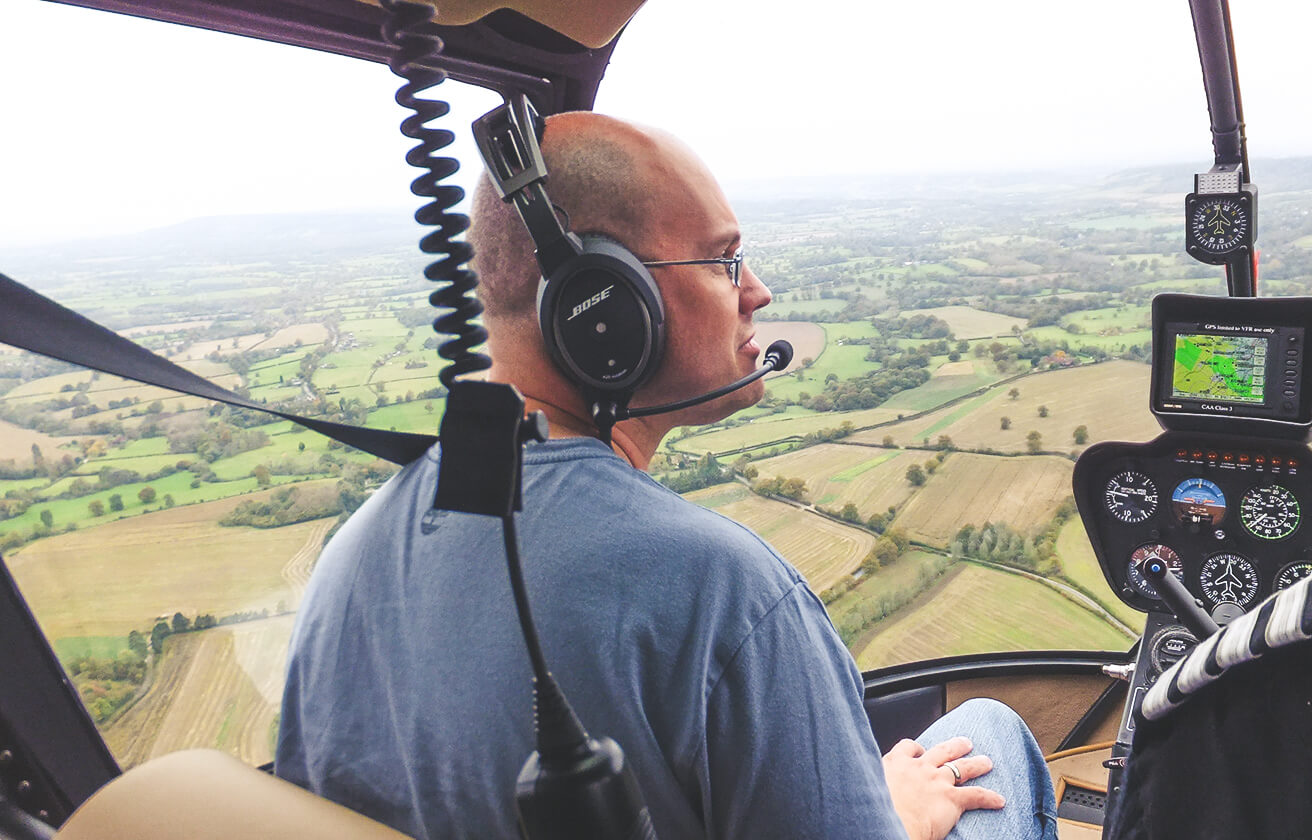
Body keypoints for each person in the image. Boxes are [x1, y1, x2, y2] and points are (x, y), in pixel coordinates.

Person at [275, 111, 1057, 840]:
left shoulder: (352, 550)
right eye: (723, 260)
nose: (757, 291)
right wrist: (895, 817)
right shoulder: (717, 585)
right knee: (989, 733)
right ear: (603, 304)